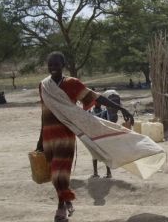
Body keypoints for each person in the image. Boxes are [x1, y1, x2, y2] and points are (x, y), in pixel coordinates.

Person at [36, 51, 134, 222]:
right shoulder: (43, 85)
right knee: (54, 175)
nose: (52, 68)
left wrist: (121, 109)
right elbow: (44, 113)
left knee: (61, 173)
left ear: (63, 65)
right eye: (50, 65)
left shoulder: (72, 84)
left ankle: (60, 207)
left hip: (65, 134)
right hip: (49, 136)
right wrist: (39, 140)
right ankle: (66, 199)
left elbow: (96, 98)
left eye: (56, 64)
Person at [92, 90, 122, 179]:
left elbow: (109, 122)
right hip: (94, 135)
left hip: (102, 135)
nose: (98, 104)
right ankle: (95, 172)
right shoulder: (90, 112)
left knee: (105, 154)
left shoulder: (105, 112)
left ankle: (108, 173)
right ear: (93, 102)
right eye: (97, 102)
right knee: (94, 155)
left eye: (100, 102)